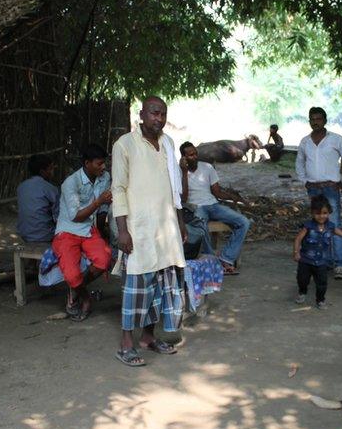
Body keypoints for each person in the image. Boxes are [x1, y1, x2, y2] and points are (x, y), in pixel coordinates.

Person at [111, 96, 188, 367]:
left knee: (161, 284)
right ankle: (126, 344)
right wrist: (122, 230)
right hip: (139, 228)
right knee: (136, 287)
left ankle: (147, 337)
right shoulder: (125, 145)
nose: (159, 118)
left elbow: (175, 188)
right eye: (154, 113)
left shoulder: (168, 143)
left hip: (165, 227)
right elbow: (118, 189)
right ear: (141, 115)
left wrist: (179, 222)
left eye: (163, 114)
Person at [51, 144, 113, 321]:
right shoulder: (71, 183)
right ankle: (84, 297)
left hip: (88, 229)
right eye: (99, 164)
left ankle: (75, 289)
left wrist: (102, 232)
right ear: (87, 163)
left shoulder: (104, 178)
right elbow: (76, 216)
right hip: (68, 231)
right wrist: (99, 201)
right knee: (71, 273)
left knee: (104, 258)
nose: (103, 167)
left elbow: (102, 209)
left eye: (104, 163)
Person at [296, 107, 342, 279]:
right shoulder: (305, 142)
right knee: (317, 225)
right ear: (309, 121)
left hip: (331, 188)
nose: (315, 121)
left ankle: (339, 264)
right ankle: (323, 261)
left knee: (335, 224)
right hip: (313, 188)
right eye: (312, 119)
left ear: (325, 120)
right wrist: (304, 181)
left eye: (318, 118)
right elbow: (299, 163)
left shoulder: (336, 139)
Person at [179, 141, 251, 273]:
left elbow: (217, 192)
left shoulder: (207, 167)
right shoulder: (178, 172)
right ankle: (212, 260)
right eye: (190, 155)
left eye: (195, 153)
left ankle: (226, 258)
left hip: (213, 204)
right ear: (183, 157)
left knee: (243, 222)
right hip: (194, 207)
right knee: (201, 226)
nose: (194, 156)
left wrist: (234, 197)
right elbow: (183, 198)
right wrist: (184, 173)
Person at [293, 195, 342, 309]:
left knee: (322, 283)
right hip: (305, 260)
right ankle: (302, 292)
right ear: (312, 213)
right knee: (302, 279)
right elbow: (298, 239)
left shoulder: (330, 226)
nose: (321, 216)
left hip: (321, 262)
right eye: (318, 213)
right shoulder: (308, 226)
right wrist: (296, 252)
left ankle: (320, 300)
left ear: (329, 212)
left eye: (324, 213)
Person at [16, 154, 60, 242]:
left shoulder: (21, 187)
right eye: (50, 169)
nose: (52, 172)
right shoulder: (50, 188)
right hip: (45, 235)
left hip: (24, 234)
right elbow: (58, 217)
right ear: (42, 171)